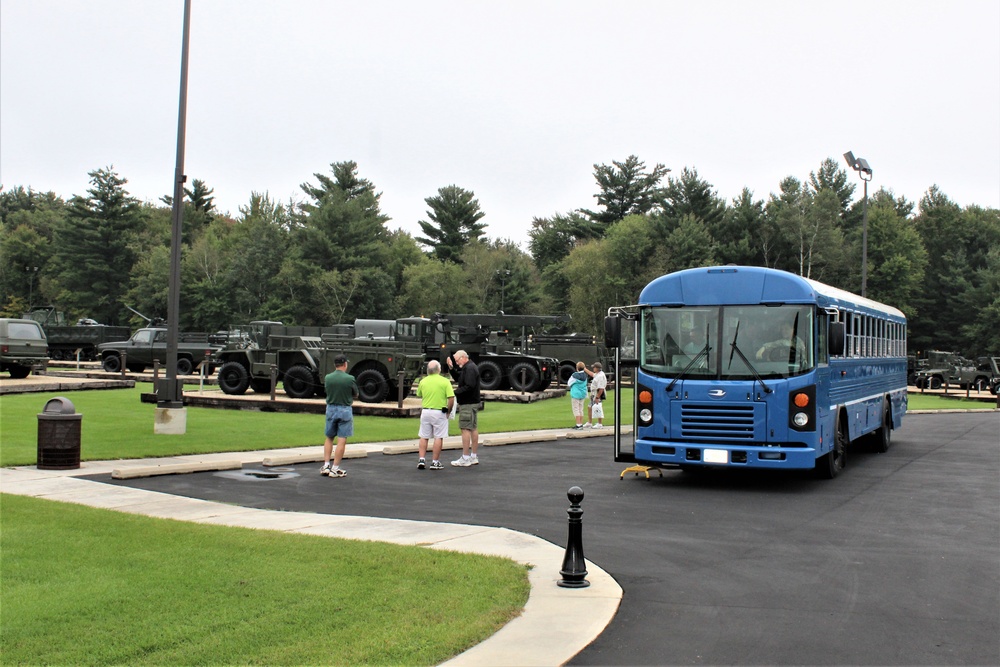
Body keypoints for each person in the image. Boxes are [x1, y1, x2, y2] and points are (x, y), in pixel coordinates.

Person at [320, 355, 359, 478]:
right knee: (342, 439)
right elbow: (356, 393)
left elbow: (327, 391)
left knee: (329, 437)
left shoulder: (328, 377)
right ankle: (335, 468)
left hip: (331, 408)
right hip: (345, 409)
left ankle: (326, 465)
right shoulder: (350, 378)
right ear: (345, 364)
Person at [415, 359, 455, 470]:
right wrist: (449, 410)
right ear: (439, 370)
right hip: (439, 412)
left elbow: (419, 394)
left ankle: (421, 459)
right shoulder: (445, 381)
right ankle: (435, 461)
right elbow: (451, 398)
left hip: (426, 411)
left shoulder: (423, 381)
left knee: (424, 436)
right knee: (438, 436)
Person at [447, 349, 480, 467]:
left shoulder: (470, 368)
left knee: (465, 428)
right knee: (473, 428)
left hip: (468, 402)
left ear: (463, 357)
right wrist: (451, 368)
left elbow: (469, 386)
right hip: (472, 402)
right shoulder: (468, 367)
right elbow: (459, 378)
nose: (456, 363)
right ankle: (473, 456)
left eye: (457, 360)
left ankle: (466, 457)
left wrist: (455, 392)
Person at [567, 361, 589, 429]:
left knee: (576, 409)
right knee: (581, 409)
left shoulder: (575, 375)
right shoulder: (585, 375)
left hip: (576, 394)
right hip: (583, 394)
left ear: (577, 368)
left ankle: (578, 424)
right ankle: (581, 423)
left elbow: (569, 383)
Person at [586, 362, 607, 428]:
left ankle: (599, 423)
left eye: (594, 367)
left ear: (597, 368)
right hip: (594, 393)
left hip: (597, 393)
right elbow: (592, 374)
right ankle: (590, 422)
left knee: (598, 408)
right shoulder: (598, 374)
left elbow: (601, 388)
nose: (593, 368)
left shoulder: (600, 376)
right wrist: (585, 369)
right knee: (590, 407)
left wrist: (597, 397)